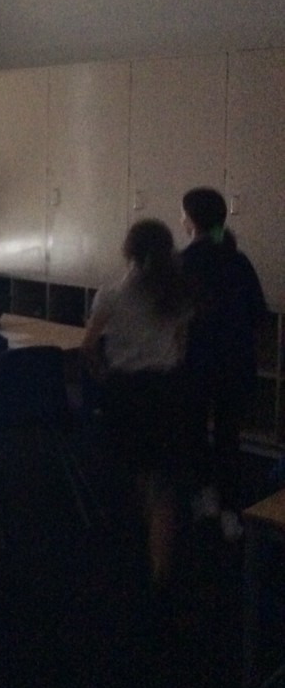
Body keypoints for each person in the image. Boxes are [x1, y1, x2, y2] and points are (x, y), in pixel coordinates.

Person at [81, 219, 192, 590]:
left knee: (126, 468)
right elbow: (180, 347)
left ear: (128, 250)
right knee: (162, 478)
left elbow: (89, 344)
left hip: (126, 390)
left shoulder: (111, 294)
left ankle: (125, 557)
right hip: (166, 389)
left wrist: (102, 375)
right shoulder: (177, 294)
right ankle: (161, 567)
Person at [180, 187, 267, 542]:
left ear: (191, 220)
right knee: (229, 438)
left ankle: (206, 498)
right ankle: (232, 511)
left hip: (196, 363)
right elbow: (258, 314)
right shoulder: (238, 260)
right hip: (236, 362)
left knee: (194, 431)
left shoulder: (183, 262)